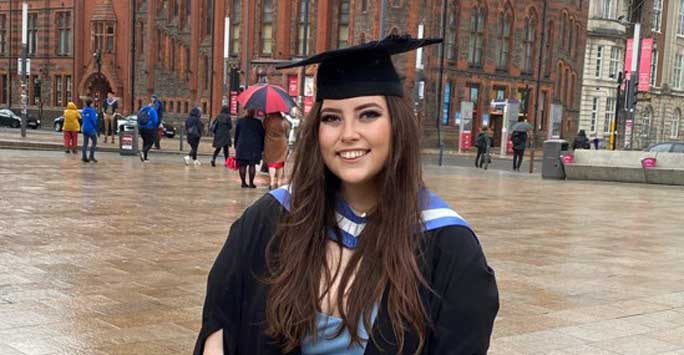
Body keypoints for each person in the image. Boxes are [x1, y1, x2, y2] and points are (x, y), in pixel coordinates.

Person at [194, 34, 498, 355]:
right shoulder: (270, 219)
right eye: (332, 118)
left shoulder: (448, 246)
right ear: (318, 131)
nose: (349, 134)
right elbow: (219, 323)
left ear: (397, 124)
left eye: (368, 114)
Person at [234, 109, 265, 188]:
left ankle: (243, 182)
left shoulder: (240, 121)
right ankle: (251, 183)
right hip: (254, 147)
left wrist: (235, 145)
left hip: (242, 145)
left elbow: (236, 134)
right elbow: (262, 135)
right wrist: (261, 147)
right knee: (252, 165)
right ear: (254, 113)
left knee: (242, 165)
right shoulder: (258, 122)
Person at [263, 112, 291, 189]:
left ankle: (271, 182)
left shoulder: (267, 120)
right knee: (280, 163)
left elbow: (264, 127)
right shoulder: (284, 121)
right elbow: (287, 130)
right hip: (281, 143)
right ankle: (278, 181)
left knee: (271, 163)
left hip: (270, 143)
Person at [80, 99, 98, 163]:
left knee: (85, 143)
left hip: (84, 128)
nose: (93, 104)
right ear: (90, 104)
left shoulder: (84, 110)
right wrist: (96, 127)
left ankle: (84, 157)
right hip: (90, 128)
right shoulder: (91, 110)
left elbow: (82, 118)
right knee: (94, 141)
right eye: (92, 103)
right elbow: (93, 120)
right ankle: (91, 156)